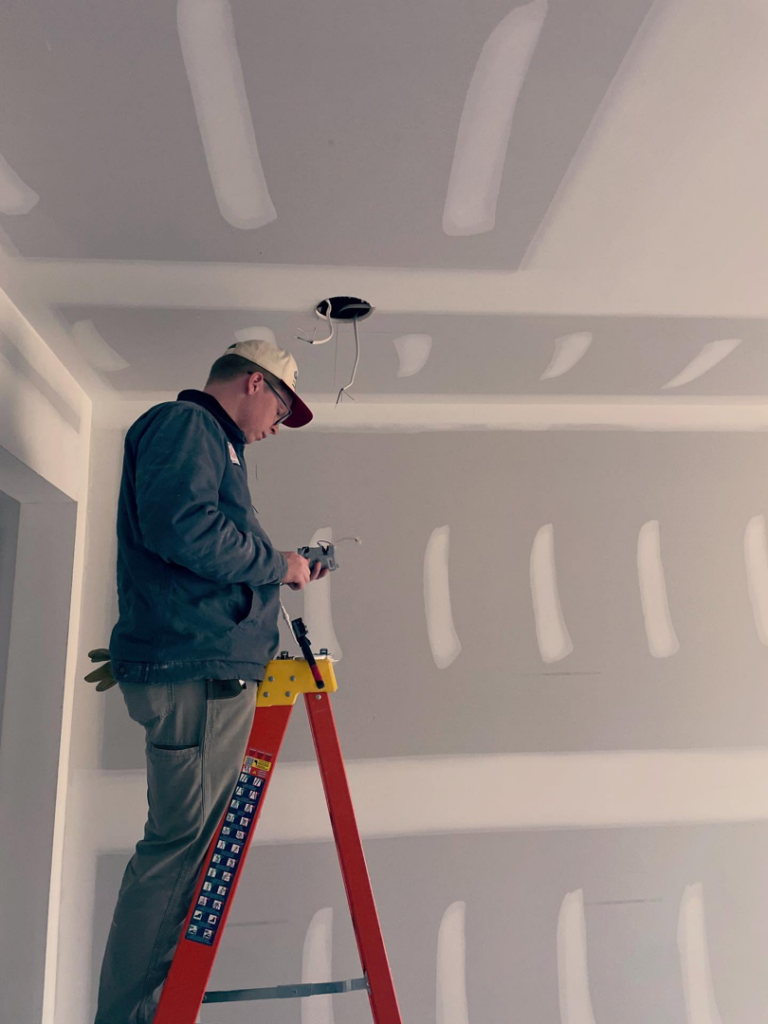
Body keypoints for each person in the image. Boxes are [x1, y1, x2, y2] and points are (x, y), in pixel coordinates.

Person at [93, 338, 327, 1024]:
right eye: (281, 408)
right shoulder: (187, 426)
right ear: (254, 383)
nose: (277, 427)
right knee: (179, 847)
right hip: (195, 674)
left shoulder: (215, 446)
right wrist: (276, 562)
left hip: (199, 666)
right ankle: (132, 1015)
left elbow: (188, 547)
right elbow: (184, 529)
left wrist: (270, 567)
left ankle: (147, 1003)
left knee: (187, 845)